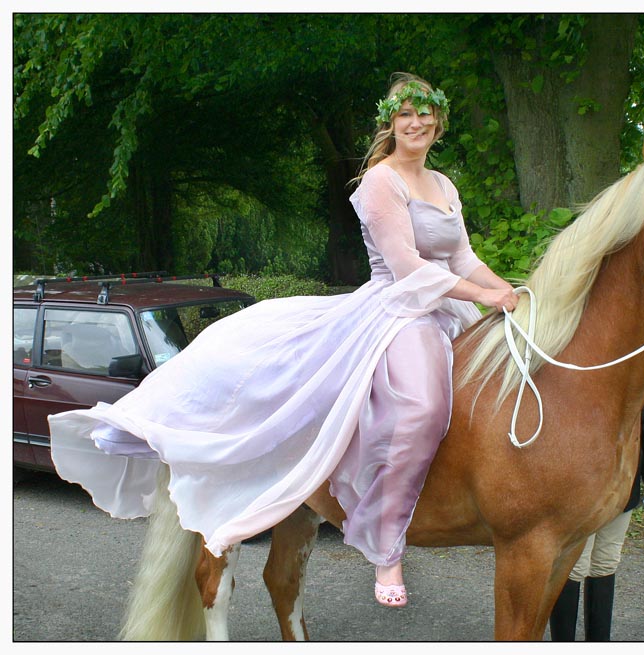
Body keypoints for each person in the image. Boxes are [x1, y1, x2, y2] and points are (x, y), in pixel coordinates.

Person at [48, 72, 519, 608]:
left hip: (447, 304)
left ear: (439, 120)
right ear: (390, 123)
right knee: (422, 408)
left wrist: (509, 291)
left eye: (425, 114)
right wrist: (480, 295)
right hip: (400, 310)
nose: (417, 123)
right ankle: (387, 548)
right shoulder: (380, 182)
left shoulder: (444, 185)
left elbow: (462, 256)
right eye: (405, 114)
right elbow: (407, 266)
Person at [549, 384, 644, 640]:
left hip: (624, 488)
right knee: (573, 566)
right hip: (583, 491)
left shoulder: (641, 373)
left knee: (605, 562)